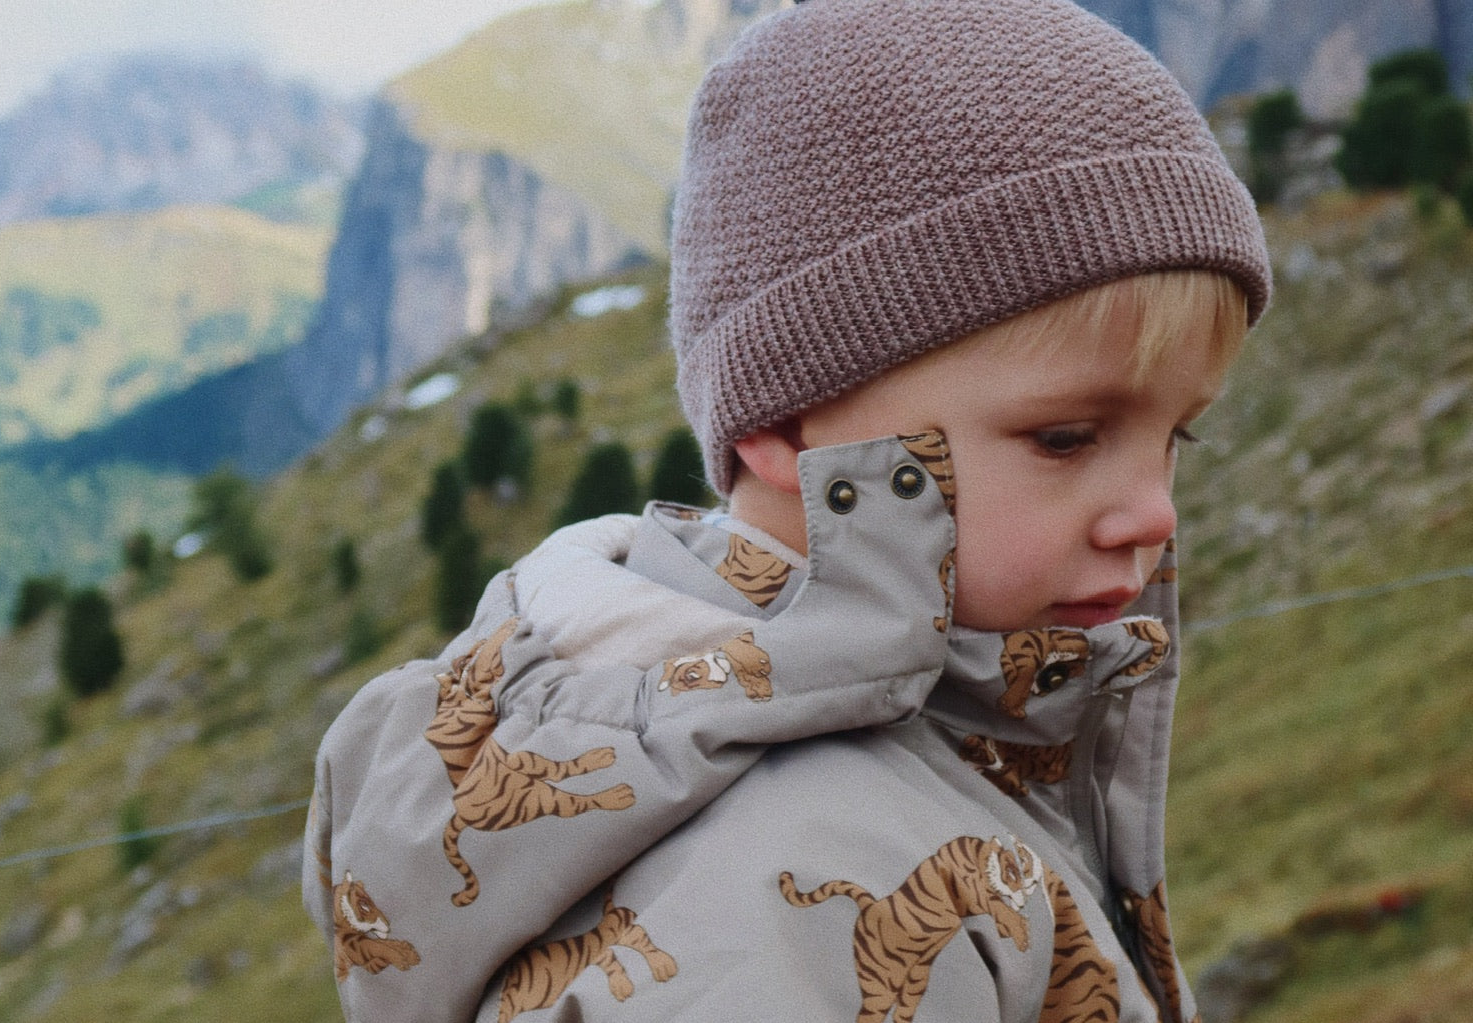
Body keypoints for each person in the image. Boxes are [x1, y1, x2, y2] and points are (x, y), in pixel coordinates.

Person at [303, 0, 1272, 1019]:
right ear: (794, 422)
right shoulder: (798, 883)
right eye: (1065, 439)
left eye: (1177, 438)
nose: (1153, 513)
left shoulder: (936, 737)